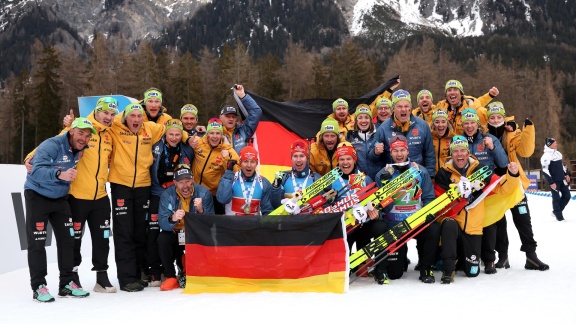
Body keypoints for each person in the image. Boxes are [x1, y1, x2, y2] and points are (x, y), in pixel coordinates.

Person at [24, 117, 96, 302]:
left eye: (88, 136)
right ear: (71, 131)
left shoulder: (81, 149)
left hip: (60, 199)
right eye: (80, 133)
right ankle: (38, 286)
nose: (84, 139)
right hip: (37, 196)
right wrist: (59, 173)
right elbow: (35, 170)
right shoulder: (52, 144)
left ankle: (67, 284)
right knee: (37, 243)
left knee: (68, 241)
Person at [434, 136, 521, 284]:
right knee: (448, 224)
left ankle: (462, 259)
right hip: (454, 222)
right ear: (451, 154)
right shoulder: (444, 173)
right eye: (455, 151)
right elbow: (439, 203)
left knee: (472, 272)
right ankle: (448, 270)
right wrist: (456, 193)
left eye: (462, 151)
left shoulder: (481, 169)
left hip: (473, 228)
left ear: (468, 153)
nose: (459, 154)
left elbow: (501, 188)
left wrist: (512, 175)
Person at [108, 103, 166, 292]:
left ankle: (137, 273)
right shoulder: (116, 126)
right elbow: (99, 119)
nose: (136, 120)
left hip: (143, 185)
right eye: (132, 116)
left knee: (140, 232)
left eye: (139, 116)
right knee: (124, 232)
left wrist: (189, 136)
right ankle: (126, 278)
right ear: (125, 117)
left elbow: (172, 126)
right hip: (121, 185)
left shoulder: (149, 128)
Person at [485, 101, 549, 271]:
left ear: (504, 117)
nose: (496, 119)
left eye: (499, 116)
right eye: (492, 117)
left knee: (523, 218)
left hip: (514, 182)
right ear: (488, 118)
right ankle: (503, 256)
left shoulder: (512, 132)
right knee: (498, 221)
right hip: (495, 183)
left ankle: (531, 255)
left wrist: (528, 129)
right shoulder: (483, 134)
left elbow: (526, 152)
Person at [374, 135, 437, 284]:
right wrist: (384, 186)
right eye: (395, 151)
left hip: (416, 222)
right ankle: (400, 258)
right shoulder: (383, 174)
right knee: (395, 274)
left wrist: (428, 212)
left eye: (402, 150)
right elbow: (378, 206)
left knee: (434, 228)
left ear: (408, 151)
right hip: (394, 226)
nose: (399, 154)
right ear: (390, 153)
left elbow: (429, 197)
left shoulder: (419, 170)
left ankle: (426, 266)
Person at [460, 108, 509, 273]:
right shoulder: (458, 140)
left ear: (478, 124)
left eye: (472, 122)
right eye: (466, 123)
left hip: (487, 189)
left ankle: (489, 260)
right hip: (466, 190)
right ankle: (467, 257)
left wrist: (492, 148)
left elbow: (503, 163)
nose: (469, 126)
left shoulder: (490, 138)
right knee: (467, 224)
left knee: (489, 223)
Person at [146, 119, 195, 286]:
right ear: (165, 133)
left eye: (177, 134)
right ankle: (156, 271)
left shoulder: (186, 148)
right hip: (158, 192)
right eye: (171, 134)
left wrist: (190, 137)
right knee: (155, 231)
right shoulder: (156, 146)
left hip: (182, 189)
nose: (174, 137)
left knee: (184, 230)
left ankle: (186, 270)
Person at [157, 164, 214, 291]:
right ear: (175, 183)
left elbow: (211, 224)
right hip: (176, 233)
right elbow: (162, 222)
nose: (185, 186)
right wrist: (172, 218)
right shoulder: (167, 194)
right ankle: (170, 276)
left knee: (208, 238)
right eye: (181, 182)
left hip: (195, 234)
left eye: (188, 181)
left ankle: (193, 273)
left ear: (193, 180)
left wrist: (200, 210)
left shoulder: (204, 193)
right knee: (163, 238)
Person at [369, 89, 436, 177]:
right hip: (393, 178)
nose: (403, 110)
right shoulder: (383, 128)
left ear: (410, 108)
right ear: (393, 108)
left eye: (406, 106)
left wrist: (430, 176)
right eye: (399, 106)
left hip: (416, 175)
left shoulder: (422, 125)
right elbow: (371, 157)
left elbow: (429, 154)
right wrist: (375, 152)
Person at [190, 118, 240, 214]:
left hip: (213, 194)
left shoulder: (228, 150)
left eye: (218, 133)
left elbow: (238, 171)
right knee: (195, 221)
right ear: (207, 134)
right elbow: (182, 135)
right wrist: (189, 139)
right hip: (194, 190)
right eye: (212, 133)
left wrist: (226, 159)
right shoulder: (198, 143)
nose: (215, 136)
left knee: (214, 223)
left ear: (221, 135)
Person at [216, 146, 274, 215]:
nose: (249, 165)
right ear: (240, 163)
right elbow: (223, 199)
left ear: (257, 163)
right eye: (245, 161)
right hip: (231, 224)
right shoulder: (230, 178)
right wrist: (228, 172)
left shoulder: (264, 183)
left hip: (253, 225)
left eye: (252, 162)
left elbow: (268, 210)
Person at [270, 139, 321, 208]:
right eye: (295, 156)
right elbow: (275, 205)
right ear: (291, 158)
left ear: (307, 158)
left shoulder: (316, 177)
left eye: (302, 156)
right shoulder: (282, 176)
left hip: (309, 218)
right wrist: (275, 187)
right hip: (289, 217)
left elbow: (322, 205)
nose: (298, 160)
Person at [219, 84, 262, 153]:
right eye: (228, 116)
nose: (231, 119)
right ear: (220, 117)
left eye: (233, 117)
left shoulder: (244, 131)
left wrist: (242, 95)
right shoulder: (214, 132)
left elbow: (256, 112)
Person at [346, 104, 380, 180]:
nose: (363, 121)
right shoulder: (350, 137)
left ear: (371, 120)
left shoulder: (379, 133)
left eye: (366, 117)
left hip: (379, 178)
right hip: (361, 180)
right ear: (356, 120)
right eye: (360, 118)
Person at [541, 137, 571, 221]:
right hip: (554, 181)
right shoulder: (545, 156)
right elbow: (545, 170)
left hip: (562, 180)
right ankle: (559, 217)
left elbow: (561, 166)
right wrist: (551, 182)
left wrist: (566, 174)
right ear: (549, 144)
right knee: (556, 198)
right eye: (555, 143)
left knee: (567, 196)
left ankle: (556, 211)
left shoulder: (558, 154)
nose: (556, 144)